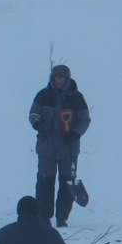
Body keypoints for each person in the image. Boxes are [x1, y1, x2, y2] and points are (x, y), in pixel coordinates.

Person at [29, 63, 90, 227]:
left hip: (68, 149)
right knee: (44, 182)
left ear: (67, 79)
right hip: (46, 146)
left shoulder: (76, 98)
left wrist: (75, 133)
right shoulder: (43, 95)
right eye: (56, 77)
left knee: (67, 184)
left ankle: (62, 217)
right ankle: (44, 216)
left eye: (62, 77)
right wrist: (37, 123)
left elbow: (84, 120)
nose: (59, 80)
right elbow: (33, 113)